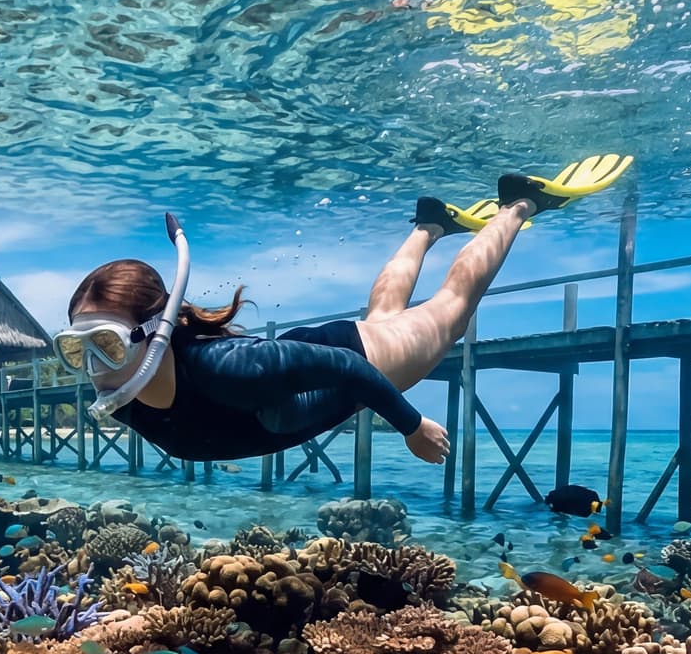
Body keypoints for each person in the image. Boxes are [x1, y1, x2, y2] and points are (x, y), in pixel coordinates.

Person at [59, 156, 632, 466]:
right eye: (75, 349)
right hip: (321, 352)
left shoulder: (225, 370)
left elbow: (346, 372)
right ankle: (430, 223)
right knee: (383, 311)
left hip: (364, 362)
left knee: (451, 308)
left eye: (104, 343)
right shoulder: (128, 401)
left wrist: (411, 425)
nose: (93, 366)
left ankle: (521, 202)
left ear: (155, 332)